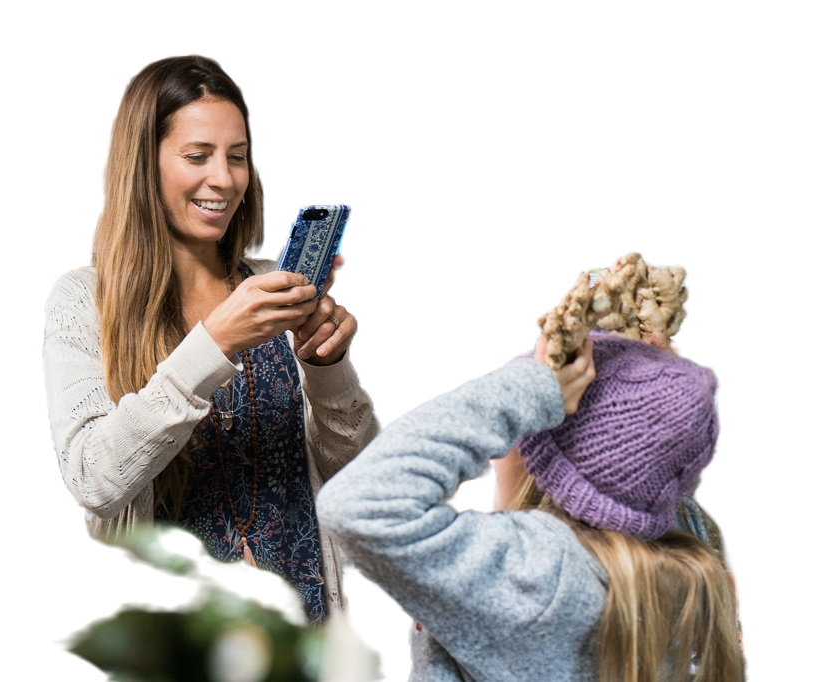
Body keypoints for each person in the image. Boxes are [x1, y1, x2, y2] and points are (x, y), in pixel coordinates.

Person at [43, 54, 380, 623]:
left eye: (238, 157)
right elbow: (96, 478)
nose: (223, 180)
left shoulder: (272, 288)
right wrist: (214, 344)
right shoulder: (84, 303)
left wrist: (327, 363)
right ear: (143, 166)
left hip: (298, 634)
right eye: (197, 156)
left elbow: (368, 482)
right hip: (165, 639)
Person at [317, 332, 743, 681]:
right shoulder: (681, 563)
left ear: (544, 467)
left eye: (517, 430)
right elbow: (647, 466)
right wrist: (650, 382)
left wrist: (524, 392)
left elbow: (354, 503)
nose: (499, 450)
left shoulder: (536, 573)